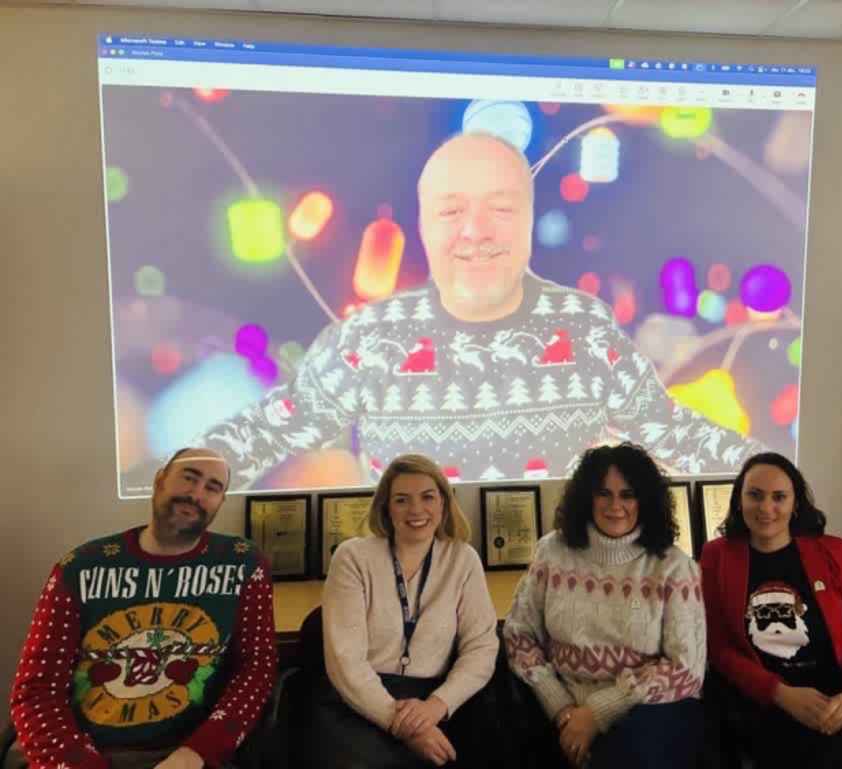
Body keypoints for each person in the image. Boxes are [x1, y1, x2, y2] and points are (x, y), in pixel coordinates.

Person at [139, 131, 757, 495]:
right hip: (409, 622)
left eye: (500, 208)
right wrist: (182, 480)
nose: (476, 231)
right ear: (423, 223)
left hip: (558, 610)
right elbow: (270, 428)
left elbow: (673, 430)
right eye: (451, 210)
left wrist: (775, 479)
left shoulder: (584, 327)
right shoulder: (371, 337)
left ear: (528, 218)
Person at [7, 448, 277, 769]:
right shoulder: (80, 568)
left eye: (212, 487)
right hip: (87, 751)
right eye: (189, 478)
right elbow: (36, 690)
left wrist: (197, 754)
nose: (196, 494)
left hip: (188, 754)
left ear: (220, 501)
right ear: (159, 480)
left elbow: (256, 670)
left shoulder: (243, 564)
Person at [699, 452, 842, 769]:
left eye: (779, 497)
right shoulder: (717, 556)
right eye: (755, 495)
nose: (766, 507)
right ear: (739, 500)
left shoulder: (836, 553)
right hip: (766, 698)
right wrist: (780, 693)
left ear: (795, 503)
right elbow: (719, 649)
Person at [503, 442, 705, 769]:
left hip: (647, 711)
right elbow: (518, 635)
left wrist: (596, 714)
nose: (615, 506)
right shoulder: (551, 552)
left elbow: (686, 668)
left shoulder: (674, 566)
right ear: (587, 497)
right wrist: (562, 710)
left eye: (628, 495)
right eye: (603, 494)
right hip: (561, 705)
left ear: (645, 500)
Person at [312, 454, 499, 768]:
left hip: (437, 700)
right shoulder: (353, 557)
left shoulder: (463, 559)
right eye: (402, 500)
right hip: (360, 701)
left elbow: (481, 647)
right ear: (386, 507)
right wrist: (403, 724)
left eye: (427, 497)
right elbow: (346, 662)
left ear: (443, 502)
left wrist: (436, 707)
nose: (416, 510)